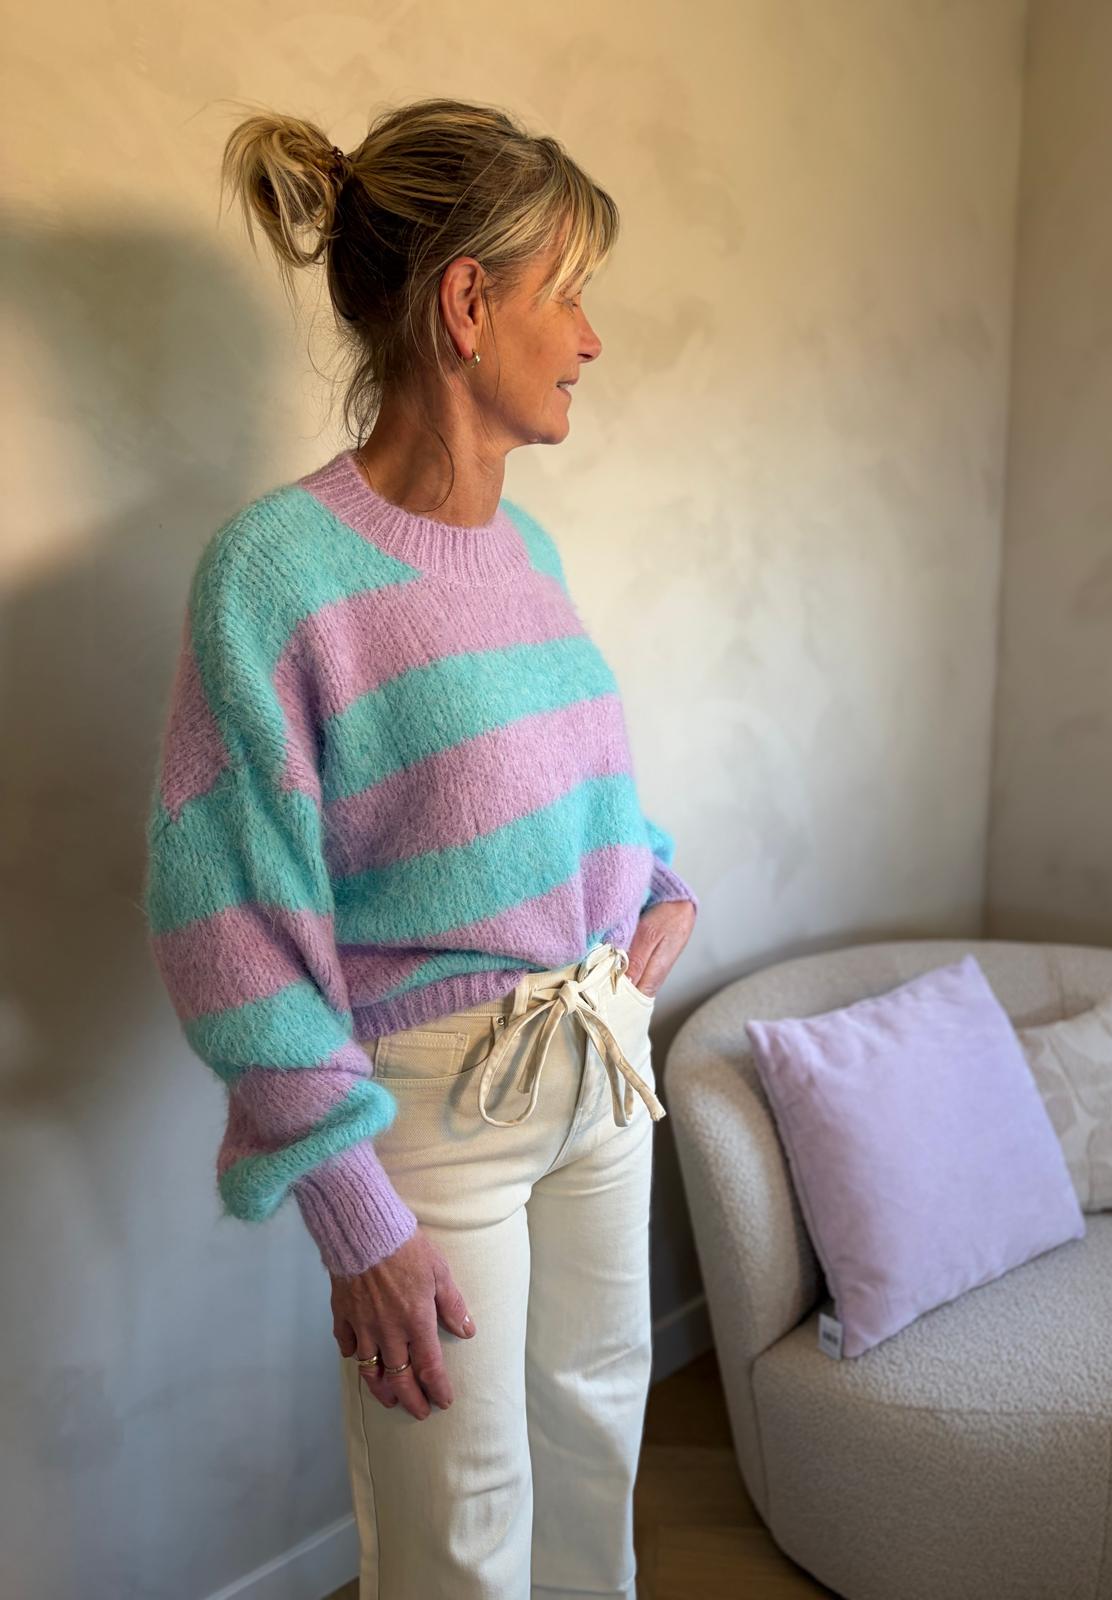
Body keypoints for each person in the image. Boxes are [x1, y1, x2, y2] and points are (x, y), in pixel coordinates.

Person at [141, 96, 699, 1600]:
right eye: (566, 293)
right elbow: (227, 924)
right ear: (467, 304)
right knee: (460, 1521)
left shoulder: (529, 550)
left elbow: (562, 783)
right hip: (442, 1115)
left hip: (604, 1065)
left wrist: (652, 879)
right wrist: (350, 1207)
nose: (589, 338)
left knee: (598, 1446)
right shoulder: (275, 573)